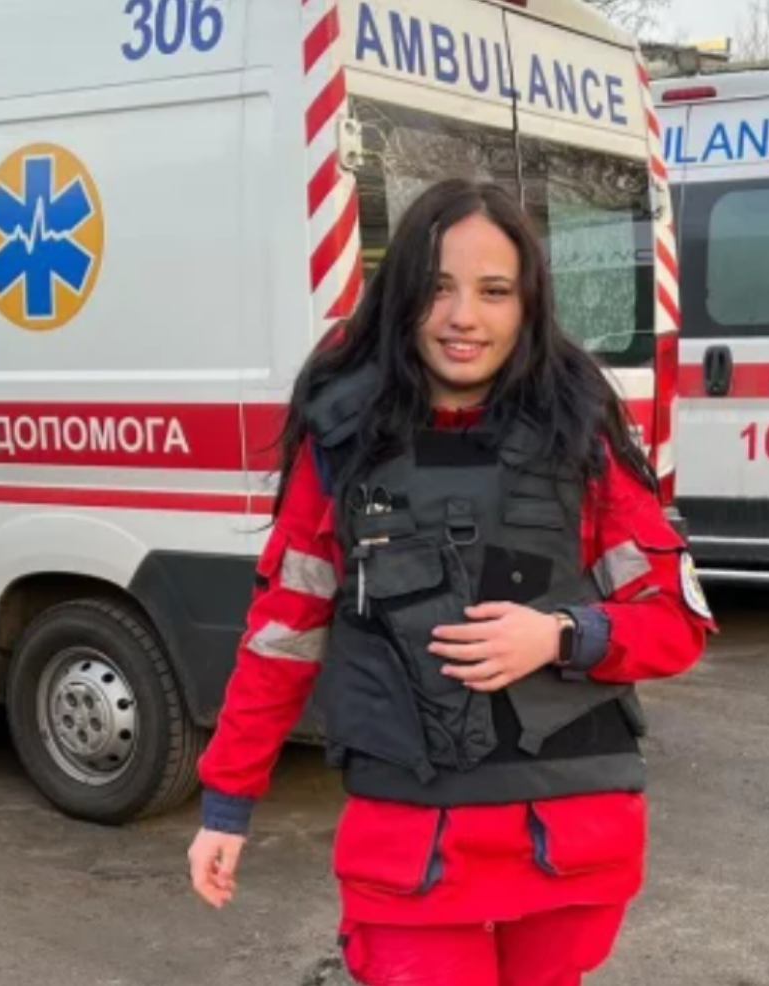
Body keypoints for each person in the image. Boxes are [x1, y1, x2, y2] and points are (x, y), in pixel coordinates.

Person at [187, 178, 715, 986]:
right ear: (399, 296)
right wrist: (227, 803)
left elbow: (674, 624)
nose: (463, 316)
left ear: (527, 305)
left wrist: (562, 635)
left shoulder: (580, 441)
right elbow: (283, 636)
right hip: (410, 843)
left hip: (567, 834)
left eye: (493, 291)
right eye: (437, 288)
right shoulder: (341, 447)